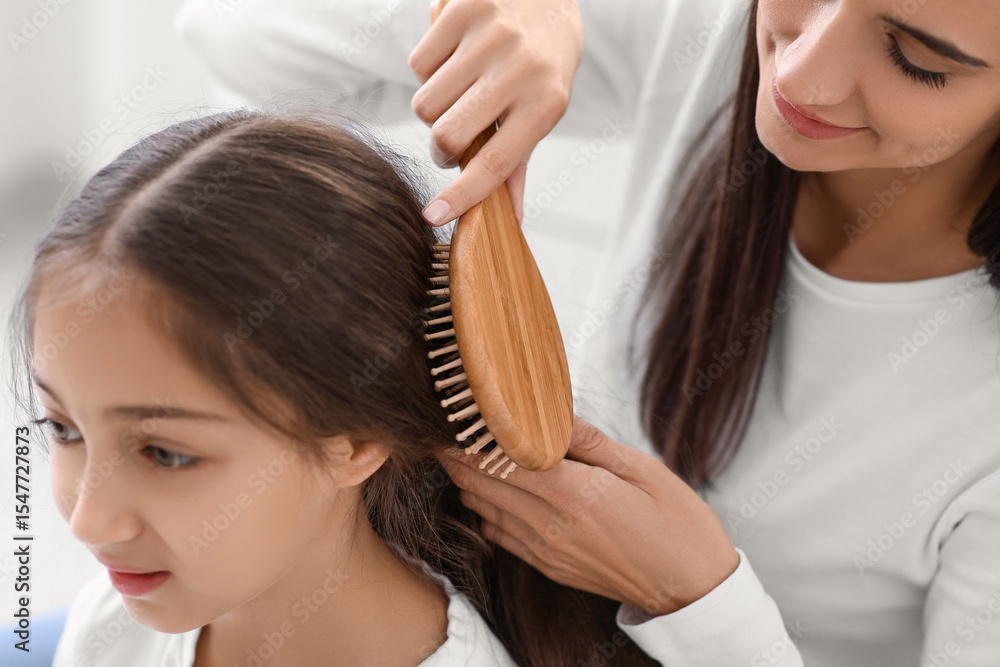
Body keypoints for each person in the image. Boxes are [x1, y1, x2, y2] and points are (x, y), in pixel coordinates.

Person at [173, 1, 1000, 664]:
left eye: (917, 59)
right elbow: (229, 34)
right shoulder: (708, 25)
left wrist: (698, 602)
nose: (801, 72)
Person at [7, 106, 662, 666]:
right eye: (63, 427)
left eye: (166, 453)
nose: (89, 520)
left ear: (356, 440)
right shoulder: (114, 628)